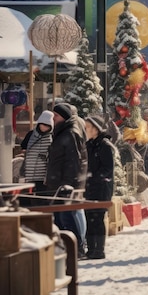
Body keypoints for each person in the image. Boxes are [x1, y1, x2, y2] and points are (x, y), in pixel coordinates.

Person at [46, 103, 88, 257]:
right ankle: (67, 248)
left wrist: (67, 184)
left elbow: (73, 161)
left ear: (63, 116)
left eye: (55, 115)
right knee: (60, 217)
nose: (53, 118)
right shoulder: (62, 132)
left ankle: (77, 248)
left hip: (65, 184)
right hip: (58, 183)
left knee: (67, 217)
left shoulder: (70, 133)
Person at [83, 115, 115, 259]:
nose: (86, 130)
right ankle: (91, 249)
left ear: (96, 129)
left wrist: (95, 177)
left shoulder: (105, 145)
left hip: (101, 188)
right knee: (89, 218)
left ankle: (99, 249)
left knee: (98, 218)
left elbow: (108, 168)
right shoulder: (89, 145)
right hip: (89, 187)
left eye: (88, 127)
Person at [20, 110, 54, 195]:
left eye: (47, 126)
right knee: (29, 193)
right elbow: (23, 146)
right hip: (29, 170)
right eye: (43, 124)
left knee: (40, 193)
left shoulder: (51, 137)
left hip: (42, 172)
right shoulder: (31, 134)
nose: (44, 127)